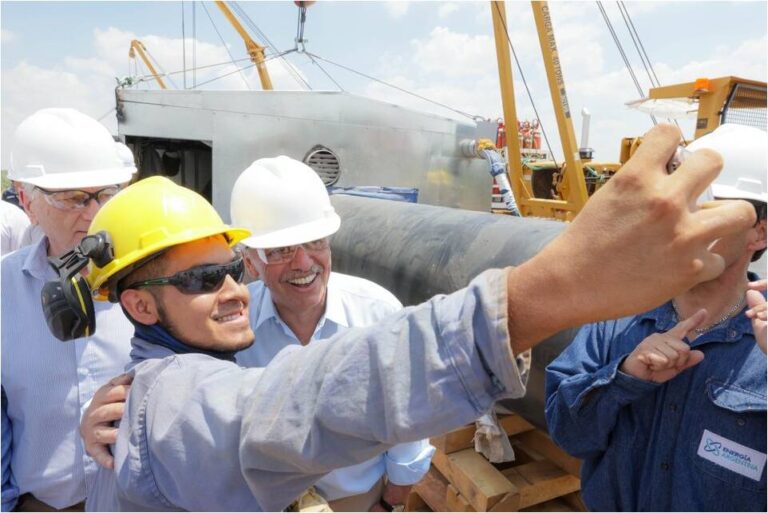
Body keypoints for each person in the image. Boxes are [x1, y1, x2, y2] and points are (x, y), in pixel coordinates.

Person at [72, 122, 753, 511]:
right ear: (137, 305)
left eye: (223, 267)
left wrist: (396, 492)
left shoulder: (174, 370)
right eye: (201, 277)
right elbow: (291, 404)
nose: (226, 288)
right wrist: (539, 294)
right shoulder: (164, 394)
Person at [544, 123, 768, 512]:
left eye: (704, 210)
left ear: (759, 234)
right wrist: (624, 377)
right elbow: (569, 435)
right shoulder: (618, 314)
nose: (680, 224)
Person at [231, 157, 433, 511]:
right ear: (250, 263)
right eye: (280, 250)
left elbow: (408, 421)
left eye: (315, 242)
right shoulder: (232, 329)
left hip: (355, 501)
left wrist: (390, 504)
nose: (304, 263)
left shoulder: (378, 315)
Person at [1, 108, 137, 512]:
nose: (94, 213)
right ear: (28, 201)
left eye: (106, 194)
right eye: (73, 198)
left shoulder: (155, 280)